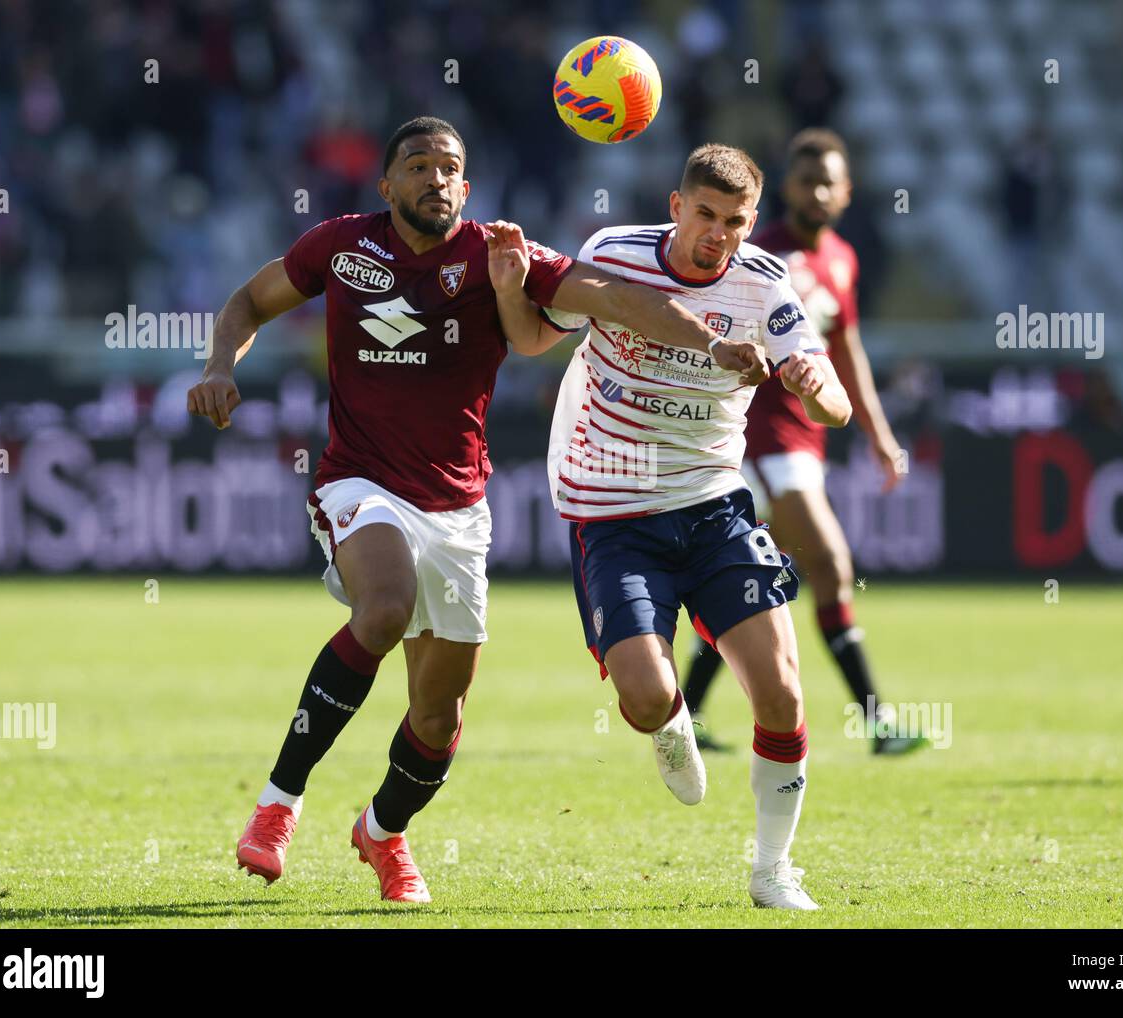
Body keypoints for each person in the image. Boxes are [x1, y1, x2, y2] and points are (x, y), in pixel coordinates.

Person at [188, 116, 765, 904]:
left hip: (458, 508)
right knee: (383, 607)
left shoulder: (501, 258)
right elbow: (248, 301)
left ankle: (384, 834)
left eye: (449, 167)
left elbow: (614, 297)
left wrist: (711, 340)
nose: (435, 178)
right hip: (359, 483)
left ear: (467, 185)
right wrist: (221, 365)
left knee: (437, 718)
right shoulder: (341, 247)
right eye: (417, 166)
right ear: (386, 185)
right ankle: (276, 806)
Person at [496, 143, 852, 909]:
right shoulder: (612, 256)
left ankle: (772, 871)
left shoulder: (765, 285)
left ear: (752, 224)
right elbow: (528, 340)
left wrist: (813, 385)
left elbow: (835, 405)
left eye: (734, 221)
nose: (717, 234)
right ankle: (668, 720)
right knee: (650, 697)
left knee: (783, 695)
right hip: (613, 510)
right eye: (705, 216)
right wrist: (503, 286)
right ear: (675, 207)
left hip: (715, 506)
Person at [681, 128, 928, 756]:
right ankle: (876, 724)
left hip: (804, 443)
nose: (816, 192)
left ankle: (685, 714)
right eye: (805, 180)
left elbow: (848, 354)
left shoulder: (842, 259)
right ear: (785, 188)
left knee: (750, 582)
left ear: (847, 192)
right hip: (758, 441)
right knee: (829, 567)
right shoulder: (757, 254)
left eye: (829, 182)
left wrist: (879, 434)